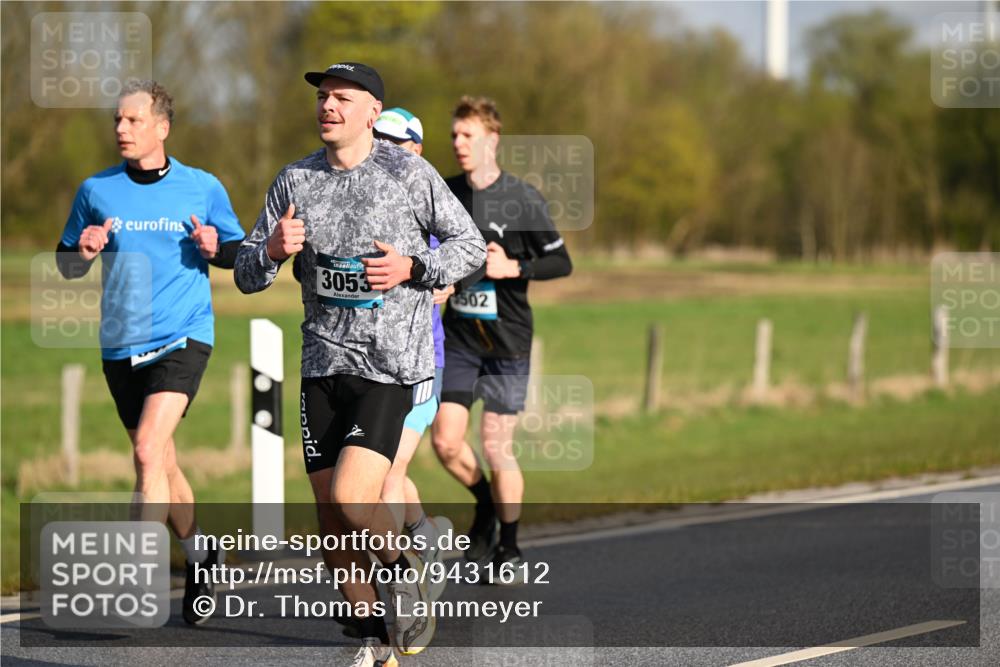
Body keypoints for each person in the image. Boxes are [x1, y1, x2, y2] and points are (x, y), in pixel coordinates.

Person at [234, 63, 485, 666]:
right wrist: (268, 251)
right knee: (330, 517)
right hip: (321, 361)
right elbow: (246, 271)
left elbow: (469, 245)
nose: (328, 107)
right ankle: (375, 642)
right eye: (322, 97)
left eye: (342, 98)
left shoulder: (408, 173)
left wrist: (412, 269)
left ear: (373, 111)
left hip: (391, 363)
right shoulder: (294, 180)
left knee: (353, 496)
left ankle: (405, 570)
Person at [55, 80, 246, 625]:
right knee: (160, 461)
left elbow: (236, 251)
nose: (121, 129)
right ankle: (203, 553)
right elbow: (67, 262)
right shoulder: (96, 189)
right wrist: (84, 251)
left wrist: (218, 249)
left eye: (133, 121)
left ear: (162, 127)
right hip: (120, 344)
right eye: (118, 120)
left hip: (182, 334)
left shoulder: (202, 187)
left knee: (144, 449)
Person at [431, 96, 572, 581]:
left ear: (491, 140)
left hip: (507, 340)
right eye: (453, 136)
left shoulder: (522, 199)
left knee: (496, 446)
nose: (458, 144)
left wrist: (515, 266)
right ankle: (487, 505)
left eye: (466, 136)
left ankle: (509, 547)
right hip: (459, 339)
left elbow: (561, 261)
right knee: (446, 442)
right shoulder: (445, 193)